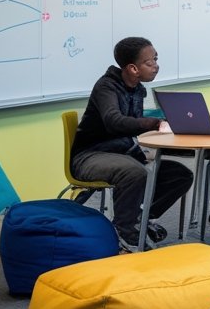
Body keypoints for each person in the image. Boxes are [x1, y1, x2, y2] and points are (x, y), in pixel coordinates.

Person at [70, 37, 193, 251]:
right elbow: (114, 121)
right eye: (149, 62)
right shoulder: (106, 87)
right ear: (133, 68)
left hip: (122, 153)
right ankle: (126, 233)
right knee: (135, 172)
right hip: (90, 156)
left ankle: (141, 220)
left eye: (156, 59)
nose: (156, 66)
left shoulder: (137, 89)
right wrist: (154, 123)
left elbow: (131, 126)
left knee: (179, 174)